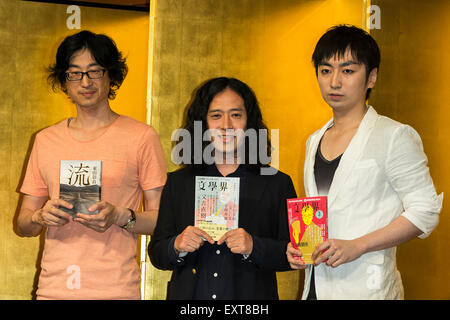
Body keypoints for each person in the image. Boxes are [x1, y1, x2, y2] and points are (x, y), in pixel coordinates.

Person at [286, 25, 443, 299]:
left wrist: (358, 245)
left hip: (366, 287)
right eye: (325, 70)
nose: (334, 81)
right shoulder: (314, 141)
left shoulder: (394, 136)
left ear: (371, 77)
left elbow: (426, 211)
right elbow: (324, 212)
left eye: (348, 71)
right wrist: (301, 245)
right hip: (316, 285)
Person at [16, 30, 167, 300]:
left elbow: (162, 220)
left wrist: (119, 216)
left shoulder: (141, 137)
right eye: (75, 73)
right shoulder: (46, 140)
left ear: (111, 76)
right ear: (64, 79)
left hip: (116, 290)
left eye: (94, 71)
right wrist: (40, 216)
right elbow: (23, 224)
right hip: (54, 290)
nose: (85, 81)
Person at [149, 77, 297, 300]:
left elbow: (294, 254)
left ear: (249, 123)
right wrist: (177, 245)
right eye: (216, 115)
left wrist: (254, 246)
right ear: (202, 123)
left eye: (236, 115)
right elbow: (157, 254)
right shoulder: (179, 183)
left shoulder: (276, 183)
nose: (226, 125)